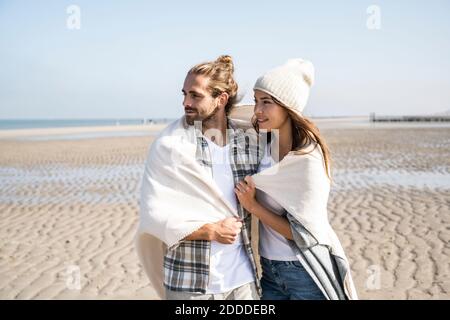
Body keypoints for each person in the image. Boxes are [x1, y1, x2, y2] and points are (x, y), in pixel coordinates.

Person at [135, 55, 262, 300]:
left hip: (243, 280)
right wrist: (211, 231)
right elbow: (153, 215)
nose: (186, 102)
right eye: (184, 94)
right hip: (190, 283)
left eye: (195, 95)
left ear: (221, 100)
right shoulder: (170, 146)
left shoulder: (249, 143)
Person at [234, 58, 358, 300]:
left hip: (305, 271)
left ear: (288, 107)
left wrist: (253, 207)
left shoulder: (307, 159)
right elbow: (223, 123)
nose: (257, 110)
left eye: (266, 102)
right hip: (269, 271)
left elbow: (305, 234)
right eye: (256, 101)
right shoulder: (265, 144)